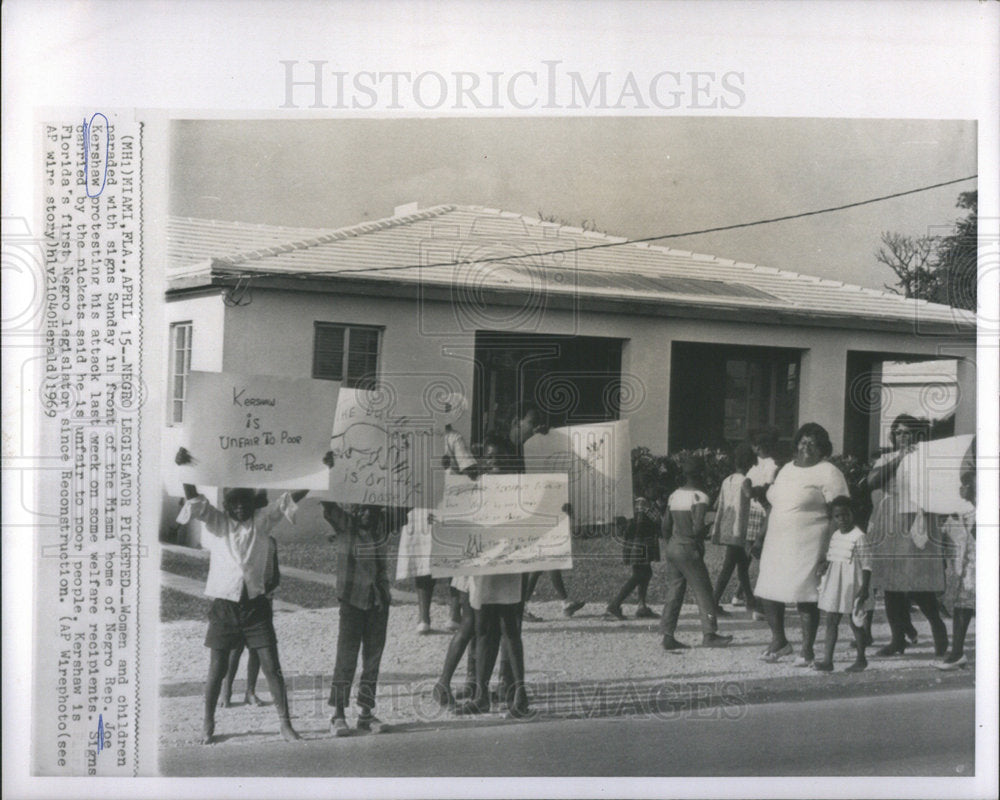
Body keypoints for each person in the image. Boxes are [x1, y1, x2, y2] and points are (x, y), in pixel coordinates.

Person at [174, 447, 305, 745]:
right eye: (233, 504)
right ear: (226, 505)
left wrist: (318, 476)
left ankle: (285, 725)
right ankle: (208, 723)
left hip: (257, 607)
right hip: (224, 608)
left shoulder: (261, 522)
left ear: (252, 504)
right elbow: (195, 500)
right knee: (216, 670)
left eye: (244, 503)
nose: (240, 509)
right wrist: (185, 470)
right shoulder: (219, 523)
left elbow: (287, 501)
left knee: (272, 667)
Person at [754, 423, 849, 665]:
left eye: (814, 444)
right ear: (796, 444)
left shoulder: (829, 472)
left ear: (822, 449)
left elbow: (839, 512)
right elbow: (774, 505)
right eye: (803, 442)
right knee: (768, 590)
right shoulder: (786, 469)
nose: (807, 447)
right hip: (777, 541)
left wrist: (829, 550)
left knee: (806, 595)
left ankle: (807, 650)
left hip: (810, 542)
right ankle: (780, 641)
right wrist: (760, 536)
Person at [457, 435, 531, 717]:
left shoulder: (522, 488)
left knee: (510, 628)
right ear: (483, 460)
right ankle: (481, 694)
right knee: (484, 628)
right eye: (489, 457)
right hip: (483, 567)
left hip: (510, 566)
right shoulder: (476, 487)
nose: (494, 462)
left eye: (500, 457)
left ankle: (519, 693)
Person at [867, 415, 948, 657]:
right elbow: (871, 482)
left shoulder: (926, 458)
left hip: (917, 518)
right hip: (891, 519)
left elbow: (939, 488)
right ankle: (897, 639)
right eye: (898, 432)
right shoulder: (887, 458)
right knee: (891, 584)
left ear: (916, 435)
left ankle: (939, 630)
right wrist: (899, 458)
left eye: (907, 432)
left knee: (916, 582)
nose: (903, 436)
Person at [322, 497, 393, 736]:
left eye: (372, 510)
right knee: (346, 658)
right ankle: (338, 714)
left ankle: (365, 713)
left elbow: (408, 504)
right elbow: (328, 504)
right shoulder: (345, 526)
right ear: (354, 509)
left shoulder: (382, 526)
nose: (367, 514)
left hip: (378, 602)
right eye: (362, 509)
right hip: (352, 601)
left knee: (372, 659)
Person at [512, 405, 585, 620]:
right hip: (527, 506)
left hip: (544, 501)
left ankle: (565, 601)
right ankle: (523, 606)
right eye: (531, 422)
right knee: (540, 558)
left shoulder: (534, 444)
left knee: (549, 554)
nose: (534, 426)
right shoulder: (519, 444)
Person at [411, 421, 478, 634]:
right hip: (422, 502)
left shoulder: (453, 437)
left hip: (449, 503)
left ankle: (453, 612)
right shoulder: (415, 435)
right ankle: (424, 616)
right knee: (423, 559)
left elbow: (470, 470)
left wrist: (454, 469)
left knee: (451, 558)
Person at [660, 456, 733, 650]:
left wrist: (672, 542)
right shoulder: (700, 496)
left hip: (673, 547)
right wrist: (711, 527)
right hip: (689, 548)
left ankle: (667, 635)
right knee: (704, 592)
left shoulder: (674, 495)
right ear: (702, 474)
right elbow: (697, 528)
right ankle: (710, 633)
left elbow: (665, 526)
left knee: (674, 591)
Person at [813, 496, 873, 673]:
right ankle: (827, 660)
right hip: (836, 584)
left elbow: (867, 564)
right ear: (833, 518)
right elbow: (833, 558)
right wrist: (824, 566)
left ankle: (861, 659)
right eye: (837, 516)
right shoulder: (835, 535)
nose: (842, 519)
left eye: (845, 515)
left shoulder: (859, 537)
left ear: (852, 514)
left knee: (855, 622)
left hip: (854, 583)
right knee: (831, 620)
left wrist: (864, 588)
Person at [220, 531, 279, 707]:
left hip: (263, 599)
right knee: (235, 648)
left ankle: (250, 691)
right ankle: (226, 691)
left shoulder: (271, 540)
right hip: (241, 599)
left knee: (258, 648)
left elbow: (275, 572)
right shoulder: (240, 538)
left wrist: (266, 589)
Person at [936, 450, 976, 670]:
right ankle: (957, 651)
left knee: (965, 606)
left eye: (965, 485)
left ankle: (958, 651)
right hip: (968, 567)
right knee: (962, 606)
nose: (961, 489)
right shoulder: (963, 511)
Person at [711, 443, 758, 617]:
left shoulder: (727, 480)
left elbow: (717, 503)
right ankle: (713, 602)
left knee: (742, 565)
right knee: (729, 566)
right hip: (738, 528)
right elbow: (749, 494)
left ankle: (751, 599)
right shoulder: (745, 481)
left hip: (726, 526)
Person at [606, 476, 661, 620]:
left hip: (637, 543)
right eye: (654, 488)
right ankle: (615, 605)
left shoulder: (640, 502)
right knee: (639, 575)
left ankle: (642, 606)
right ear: (646, 488)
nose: (657, 490)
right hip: (640, 544)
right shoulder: (642, 503)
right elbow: (655, 520)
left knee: (645, 572)